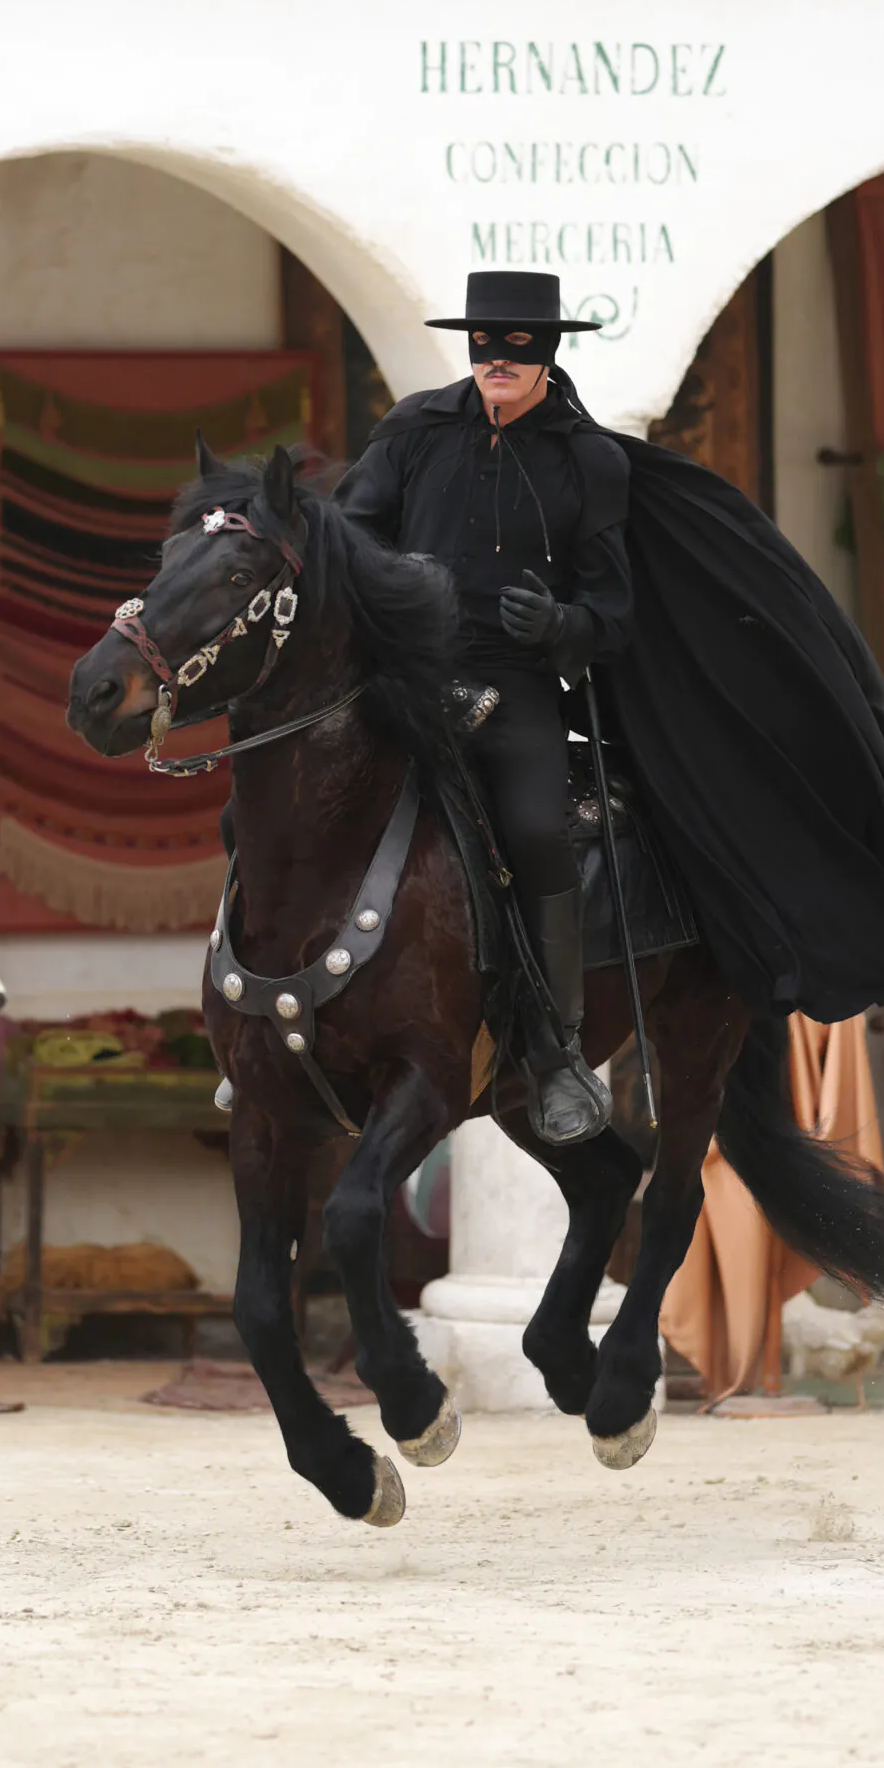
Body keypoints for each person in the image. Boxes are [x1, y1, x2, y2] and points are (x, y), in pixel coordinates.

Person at [337, 269, 629, 1146]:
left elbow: (614, 616)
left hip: (518, 692)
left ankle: (556, 1050)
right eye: (482, 342)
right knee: (293, 794)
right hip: (407, 685)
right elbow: (350, 532)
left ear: (547, 351)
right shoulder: (414, 427)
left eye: (516, 344)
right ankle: (266, 1028)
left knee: (539, 833)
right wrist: (394, 589)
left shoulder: (590, 460)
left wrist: (561, 623)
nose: (496, 359)